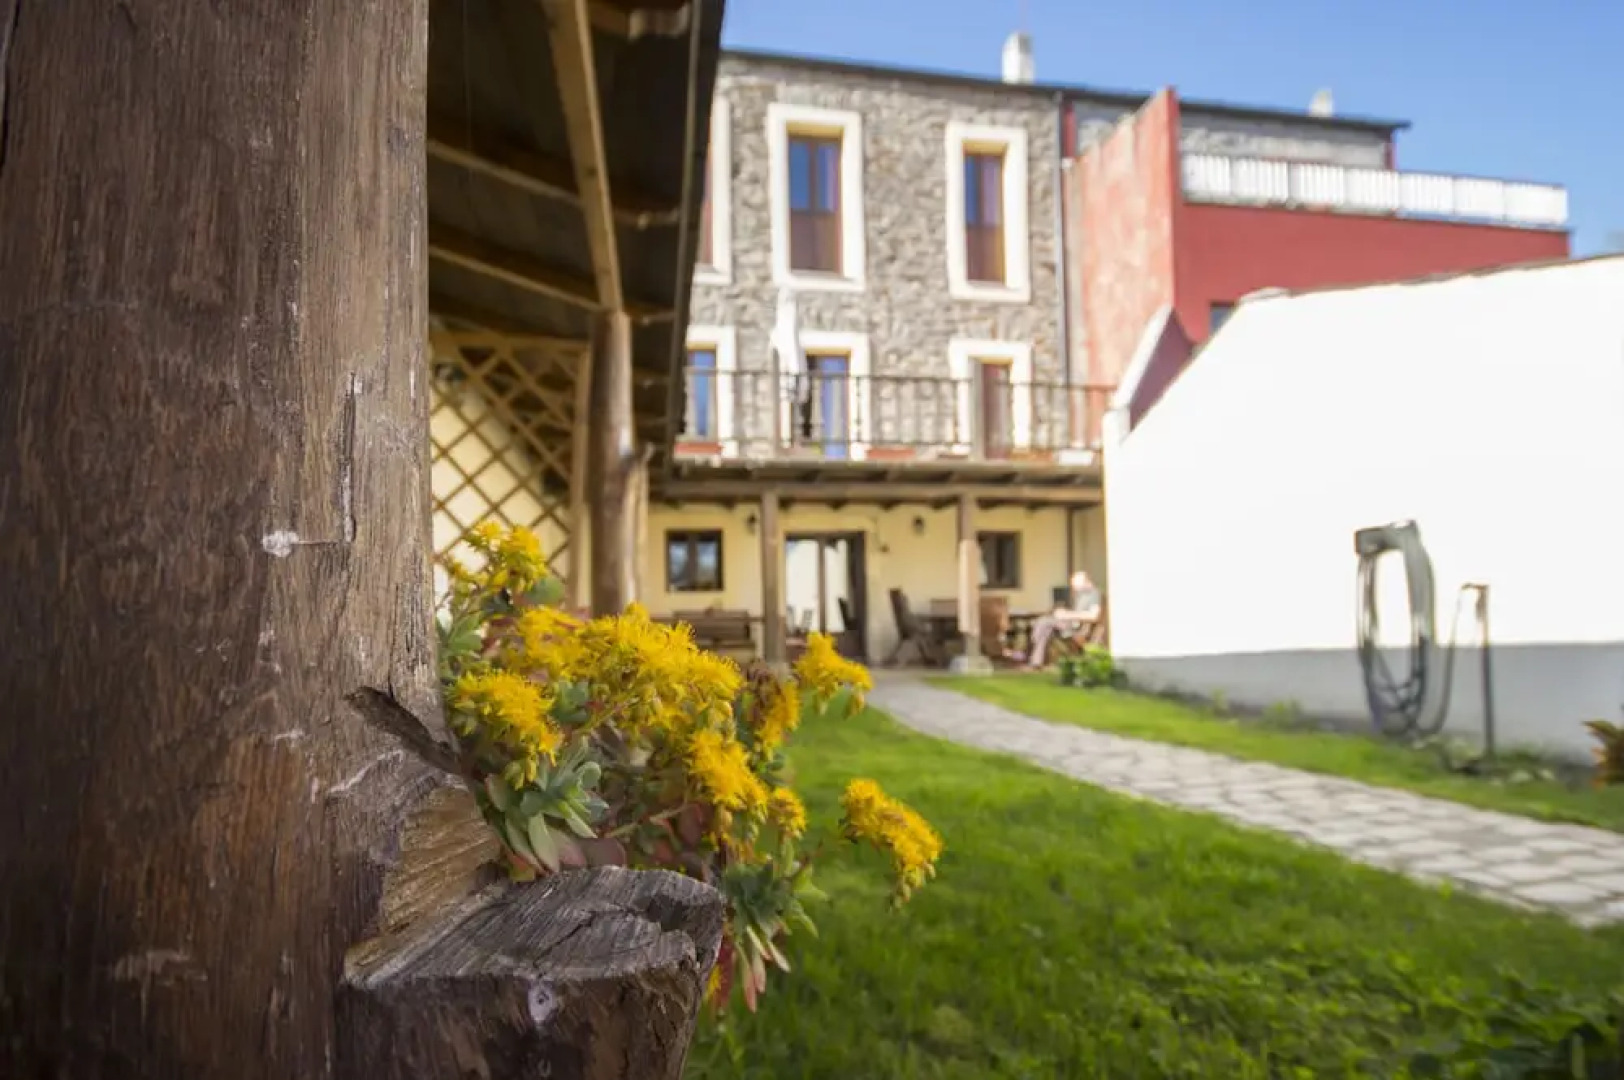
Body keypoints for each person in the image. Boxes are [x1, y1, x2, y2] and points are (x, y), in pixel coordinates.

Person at [1024, 571, 1102, 670]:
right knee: (1043, 624)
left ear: (1086, 582)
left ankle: (1035, 654)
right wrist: (1064, 612)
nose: (1074, 588)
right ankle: (1036, 660)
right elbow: (1077, 611)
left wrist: (1067, 615)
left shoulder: (1094, 594)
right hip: (1072, 623)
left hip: (1080, 627)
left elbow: (1093, 616)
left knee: (1044, 623)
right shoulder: (1081, 594)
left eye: (1076, 585)